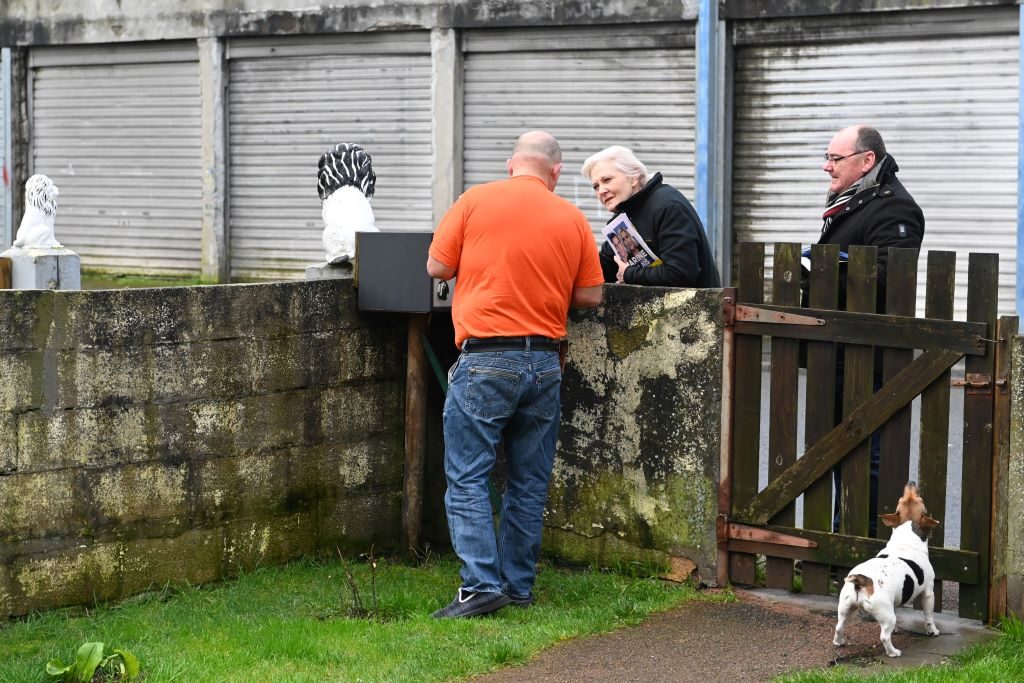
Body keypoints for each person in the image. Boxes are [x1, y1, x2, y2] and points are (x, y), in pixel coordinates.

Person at [426, 131, 604, 619]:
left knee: (467, 477)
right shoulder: (571, 217)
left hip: (486, 356)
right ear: (556, 171)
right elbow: (591, 296)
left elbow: (438, 266)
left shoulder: (475, 200)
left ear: (511, 165)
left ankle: (481, 586)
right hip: (544, 361)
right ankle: (518, 587)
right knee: (529, 482)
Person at [815, 124, 924, 536]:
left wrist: (828, 275)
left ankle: (872, 541)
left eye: (835, 158)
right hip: (843, 345)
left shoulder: (893, 208)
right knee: (846, 445)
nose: (827, 167)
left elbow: (889, 274)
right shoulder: (854, 200)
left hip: (870, 351)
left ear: (866, 161)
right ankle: (847, 535)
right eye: (826, 157)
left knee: (871, 451)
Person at [582, 145, 720, 287]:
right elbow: (602, 269)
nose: (601, 191)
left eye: (607, 180)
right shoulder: (623, 217)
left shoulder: (667, 206)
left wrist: (628, 274)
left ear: (633, 178)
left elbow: (680, 273)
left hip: (698, 307)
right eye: (596, 186)